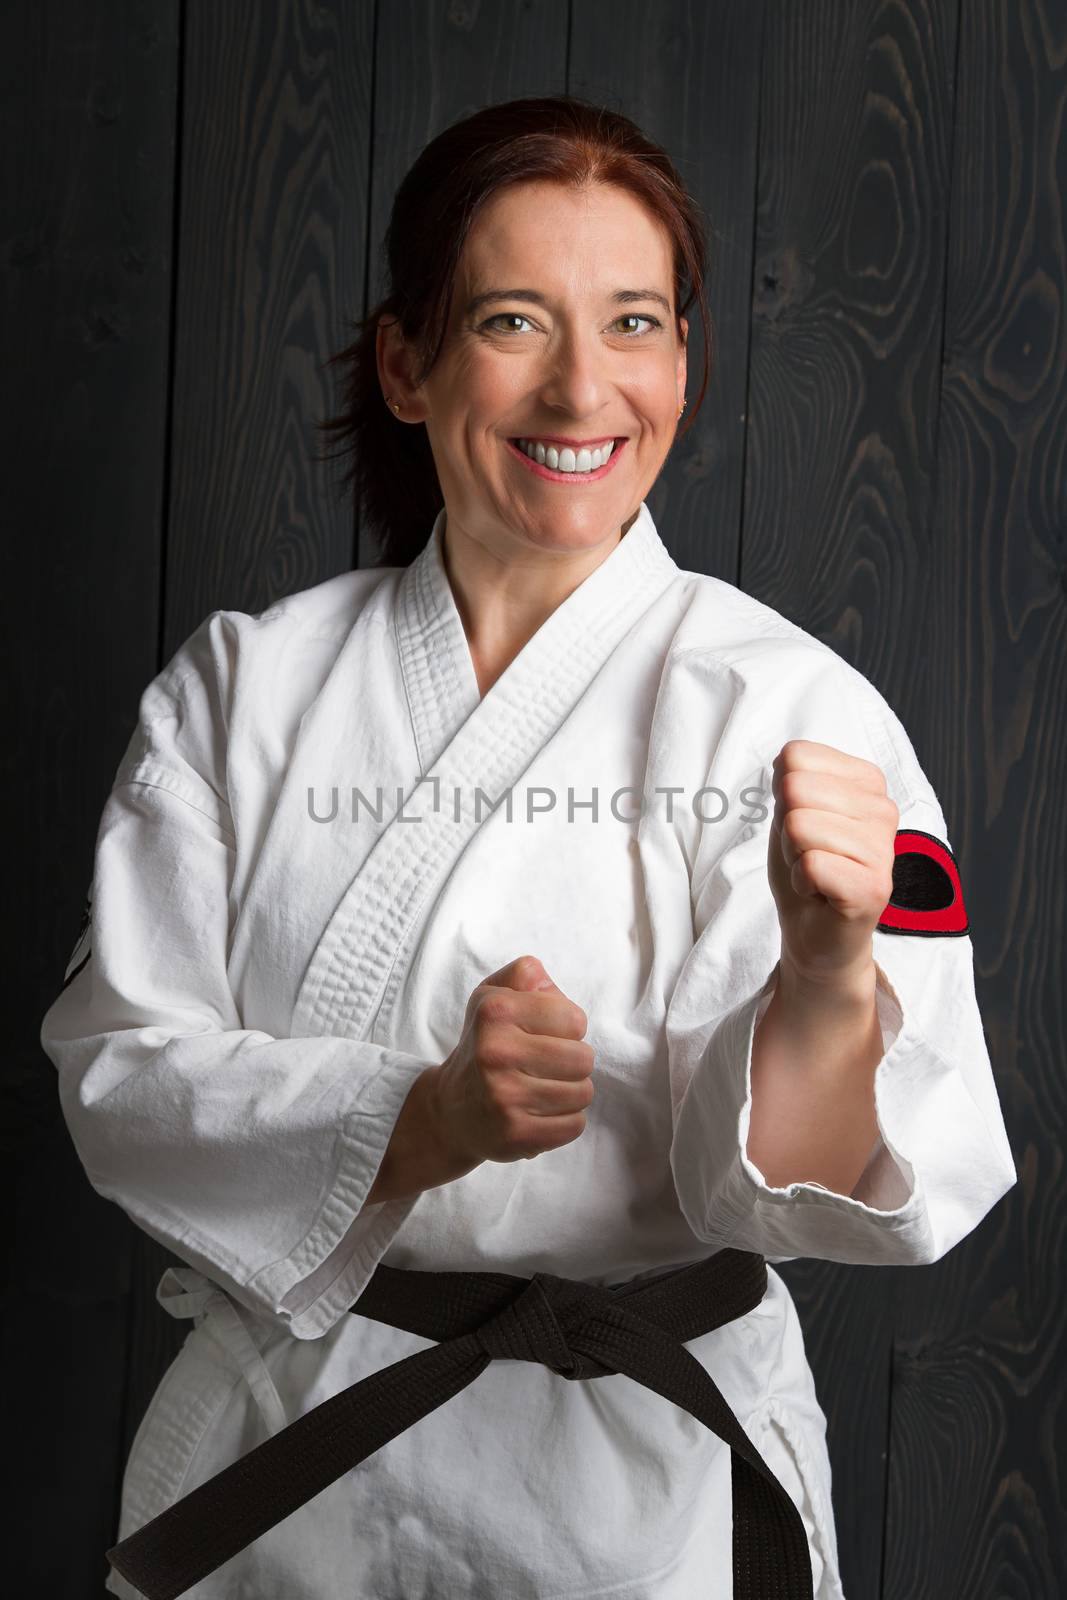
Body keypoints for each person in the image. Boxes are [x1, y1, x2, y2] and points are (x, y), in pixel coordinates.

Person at [40, 95, 1016, 1599]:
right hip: (301, 1471)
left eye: (635, 323)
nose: (582, 391)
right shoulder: (245, 689)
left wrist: (826, 977)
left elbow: (825, 1190)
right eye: (513, 321)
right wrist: (417, 1121)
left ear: (685, 362)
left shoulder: (798, 712)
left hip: (648, 1500)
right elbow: (118, 1074)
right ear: (407, 362)